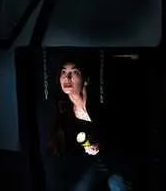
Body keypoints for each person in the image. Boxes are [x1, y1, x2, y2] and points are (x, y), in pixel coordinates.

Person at [47, 58, 129, 191]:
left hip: (114, 160)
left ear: (85, 80)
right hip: (86, 165)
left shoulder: (100, 103)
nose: (67, 78)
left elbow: (116, 133)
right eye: (64, 72)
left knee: (118, 184)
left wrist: (99, 143)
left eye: (74, 72)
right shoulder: (61, 109)